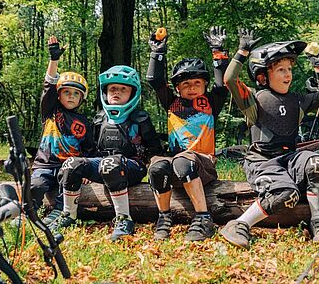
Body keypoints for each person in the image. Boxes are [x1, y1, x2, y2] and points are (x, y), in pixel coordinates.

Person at [220, 28, 319, 249]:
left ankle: (318, 222)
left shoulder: (297, 100)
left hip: (290, 158)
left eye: (289, 69)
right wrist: (243, 50)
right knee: (285, 194)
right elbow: (229, 79)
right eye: (280, 69)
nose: (288, 74)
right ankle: (239, 224)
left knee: (317, 163)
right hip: (262, 162)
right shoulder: (254, 99)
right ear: (262, 75)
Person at [49, 65, 162, 241]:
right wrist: (86, 169)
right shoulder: (99, 119)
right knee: (72, 164)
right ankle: (68, 215)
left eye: (123, 89)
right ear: (105, 92)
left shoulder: (140, 119)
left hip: (131, 166)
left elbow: (154, 149)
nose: (116, 92)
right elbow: (92, 149)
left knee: (110, 164)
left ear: (132, 93)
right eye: (112, 89)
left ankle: (124, 219)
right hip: (103, 164)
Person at [146, 26, 230, 241]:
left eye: (197, 83)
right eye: (185, 84)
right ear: (177, 88)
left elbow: (223, 85)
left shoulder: (211, 102)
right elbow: (154, 80)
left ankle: (203, 218)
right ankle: (164, 217)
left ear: (204, 85)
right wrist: (157, 53)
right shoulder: (172, 103)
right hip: (178, 164)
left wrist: (218, 50)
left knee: (183, 161)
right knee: (156, 166)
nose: (191, 88)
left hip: (203, 164)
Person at [28, 35, 94, 226]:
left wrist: (87, 171)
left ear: (82, 98)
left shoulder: (84, 122)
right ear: (58, 95)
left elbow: (89, 148)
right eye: (66, 92)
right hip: (44, 165)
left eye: (76, 94)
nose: (71, 96)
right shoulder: (50, 111)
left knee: (64, 187)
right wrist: (54, 60)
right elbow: (48, 86)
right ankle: (29, 212)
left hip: (68, 167)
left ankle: (59, 211)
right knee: (35, 185)